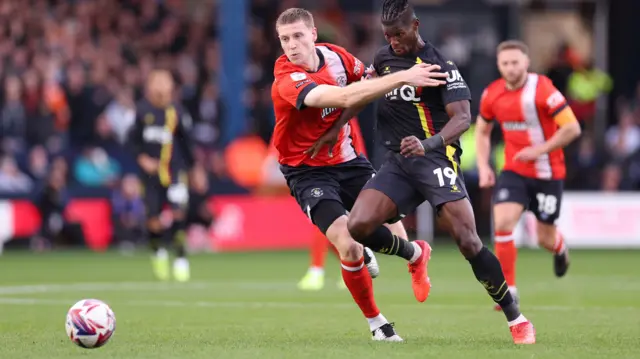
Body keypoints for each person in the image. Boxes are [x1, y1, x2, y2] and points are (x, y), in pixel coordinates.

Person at [313, 0, 536, 344]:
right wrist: (336, 127)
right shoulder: (383, 59)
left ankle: (515, 316)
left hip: (436, 160)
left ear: (415, 26)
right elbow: (361, 97)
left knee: (468, 241)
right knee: (357, 226)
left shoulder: (439, 64)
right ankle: (416, 253)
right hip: (398, 163)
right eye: (388, 35)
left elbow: (462, 118)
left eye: (399, 34)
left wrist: (427, 144)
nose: (394, 42)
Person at [271, 7, 445, 341]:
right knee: (348, 244)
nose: (291, 45)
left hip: (348, 160)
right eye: (284, 39)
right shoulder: (286, 78)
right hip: (307, 170)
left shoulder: (337, 57)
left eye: (296, 36)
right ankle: (378, 323)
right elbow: (342, 96)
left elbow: (367, 83)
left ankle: (411, 253)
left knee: (392, 221)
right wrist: (402, 76)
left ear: (312, 34)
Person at [475, 40, 581, 310]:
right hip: (514, 170)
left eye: (515, 62)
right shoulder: (492, 93)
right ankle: (509, 290)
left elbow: (572, 128)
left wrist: (540, 150)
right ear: (499, 66)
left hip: (548, 172)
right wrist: (485, 166)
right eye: (505, 63)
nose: (510, 68)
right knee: (503, 222)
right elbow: (482, 130)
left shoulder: (542, 88)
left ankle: (559, 248)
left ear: (526, 62)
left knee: (544, 238)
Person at [128, 70, 196, 282]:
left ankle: (181, 257)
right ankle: (158, 251)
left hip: (174, 171)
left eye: (165, 82)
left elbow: (187, 143)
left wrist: (195, 170)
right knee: (154, 219)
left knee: (178, 212)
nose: (160, 87)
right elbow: (132, 141)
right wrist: (142, 159)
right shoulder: (142, 111)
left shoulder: (177, 111)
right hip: (150, 176)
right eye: (157, 82)